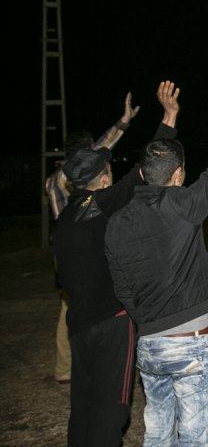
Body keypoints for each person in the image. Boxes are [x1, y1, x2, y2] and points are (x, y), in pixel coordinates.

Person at [105, 67, 208, 446]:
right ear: (178, 174)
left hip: (148, 346)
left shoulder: (116, 223)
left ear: (143, 174)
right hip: (189, 346)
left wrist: (147, 319)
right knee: (195, 439)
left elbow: (121, 286)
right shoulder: (182, 206)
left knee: (158, 433)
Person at [53, 82, 180, 446]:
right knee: (112, 410)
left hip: (79, 324)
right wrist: (169, 117)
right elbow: (148, 168)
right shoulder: (102, 205)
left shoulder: (64, 220)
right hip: (112, 323)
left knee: (83, 405)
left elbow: (61, 278)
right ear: (105, 178)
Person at [45, 93, 140, 385]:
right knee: (91, 306)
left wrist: (123, 122)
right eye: (89, 150)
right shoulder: (71, 179)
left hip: (65, 249)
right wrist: (123, 122)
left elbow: (102, 145)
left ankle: (65, 367)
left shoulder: (55, 179)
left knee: (71, 307)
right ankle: (96, 363)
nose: (95, 152)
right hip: (84, 246)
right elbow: (103, 148)